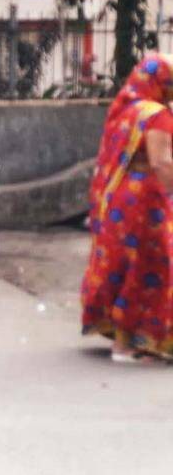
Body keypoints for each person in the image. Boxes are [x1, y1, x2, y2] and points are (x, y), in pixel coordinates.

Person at [81, 54, 173, 363]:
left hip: (121, 197)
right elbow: (162, 163)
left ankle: (124, 338)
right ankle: (128, 344)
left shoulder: (126, 109)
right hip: (148, 202)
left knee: (126, 265)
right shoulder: (156, 115)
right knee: (151, 269)